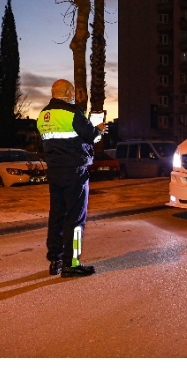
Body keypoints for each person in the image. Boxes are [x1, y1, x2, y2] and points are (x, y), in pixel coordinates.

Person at [37, 79, 107, 277]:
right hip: (75, 172)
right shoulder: (72, 113)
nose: (74, 95)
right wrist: (100, 129)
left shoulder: (43, 115)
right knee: (76, 217)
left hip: (54, 171)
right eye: (73, 91)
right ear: (67, 92)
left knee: (57, 215)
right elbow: (92, 137)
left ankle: (56, 260)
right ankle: (72, 263)